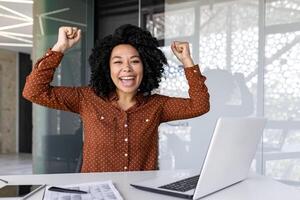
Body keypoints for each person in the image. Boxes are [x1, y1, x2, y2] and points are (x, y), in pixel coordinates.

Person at [23, 24, 210, 173]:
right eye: (118, 61)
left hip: (141, 194)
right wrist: (60, 47)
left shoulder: (157, 105)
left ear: (146, 67)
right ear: (107, 67)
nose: (127, 68)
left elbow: (200, 105)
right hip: (95, 193)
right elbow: (33, 91)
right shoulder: (86, 98)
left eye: (135, 61)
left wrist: (187, 61)